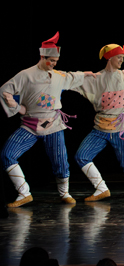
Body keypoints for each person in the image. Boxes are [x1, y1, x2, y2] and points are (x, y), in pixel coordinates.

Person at [2, 33, 90, 206]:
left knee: (60, 162)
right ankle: (24, 193)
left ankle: (64, 193)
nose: (54, 64)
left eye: (56, 61)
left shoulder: (58, 75)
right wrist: (17, 108)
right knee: (7, 154)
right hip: (30, 125)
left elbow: (73, 77)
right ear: (42, 57)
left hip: (52, 124)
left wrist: (88, 75)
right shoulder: (25, 75)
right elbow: (5, 90)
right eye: (51, 60)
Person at [68, 44, 124, 200]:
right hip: (100, 128)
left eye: (122, 58)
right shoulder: (96, 79)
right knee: (81, 156)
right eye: (119, 57)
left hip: (120, 129)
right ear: (110, 58)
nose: (121, 60)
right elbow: (70, 80)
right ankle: (101, 188)